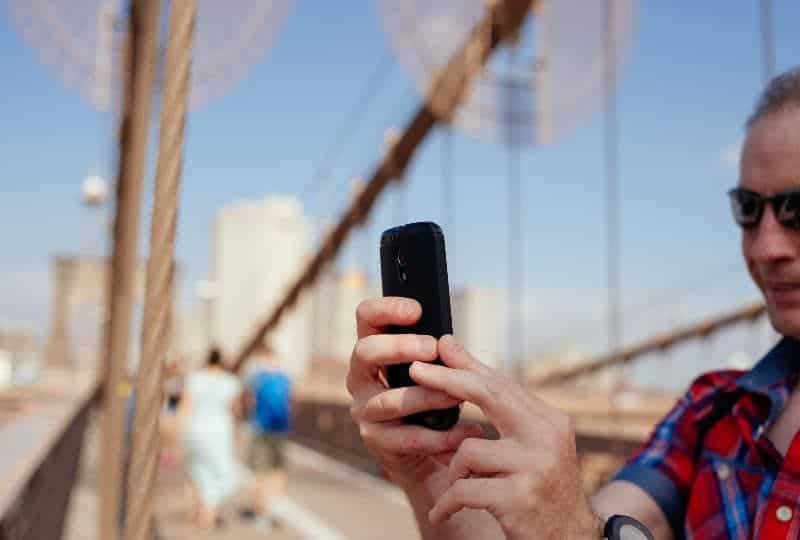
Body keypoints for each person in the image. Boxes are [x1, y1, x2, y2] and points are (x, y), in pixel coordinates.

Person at [347, 66, 800, 539]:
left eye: (797, 209)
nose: (766, 247)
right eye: (749, 210)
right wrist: (430, 477)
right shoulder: (710, 410)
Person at [177, 347, 243, 530]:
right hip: (219, 433)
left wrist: (179, 435)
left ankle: (192, 513)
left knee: (195, 472)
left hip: (195, 431)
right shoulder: (231, 382)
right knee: (219, 477)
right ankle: (207, 520)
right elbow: (236, 411)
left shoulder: (194, 379)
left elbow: (185, 407)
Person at [242, 341, 292, 530]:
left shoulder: (257, 377)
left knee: (260, 473)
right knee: (278, 470)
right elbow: (290, 403)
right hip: (281, 429)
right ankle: (276, 506)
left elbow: (249, 401)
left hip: (261, 428)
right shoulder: (285, 377)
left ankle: (262, 514)